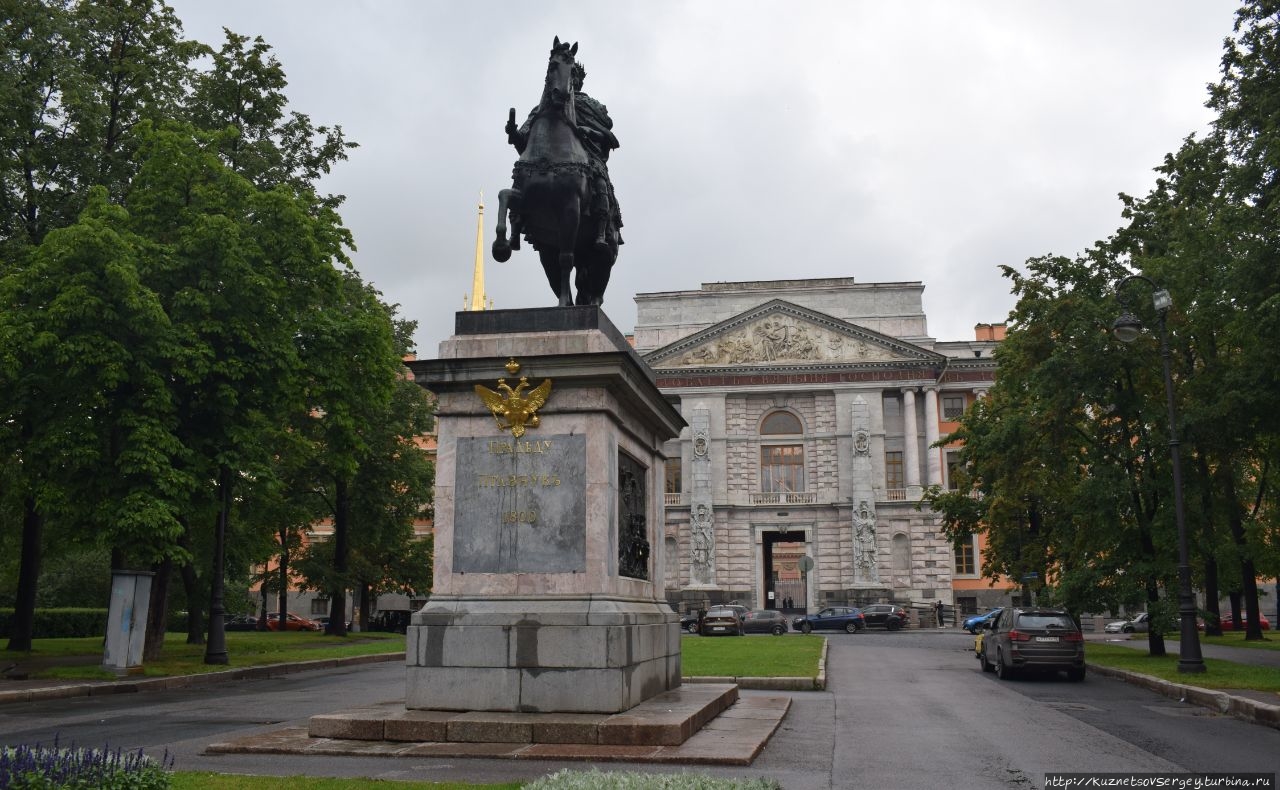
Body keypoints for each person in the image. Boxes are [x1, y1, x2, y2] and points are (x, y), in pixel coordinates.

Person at [507, 61, 623, 251]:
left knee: (600, 181)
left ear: (579, 80)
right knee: (520, 177)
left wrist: (590, 132)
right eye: (571, 74)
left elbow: (608, 137)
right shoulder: (542, 108)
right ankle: (516, 225)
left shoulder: (592, 106)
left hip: (587, 156)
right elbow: (523, 139)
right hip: (545, 160)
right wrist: (513, 133)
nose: (573, 78)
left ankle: (602, 232)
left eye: (576, 74)